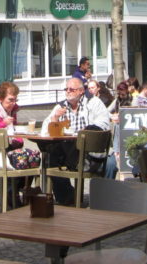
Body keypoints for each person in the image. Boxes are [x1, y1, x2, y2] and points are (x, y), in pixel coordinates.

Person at [40, 77, 110, 205]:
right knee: (49, 154)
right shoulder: (60, 106)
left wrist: (85, 131)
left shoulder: (93, 103)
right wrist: (55, 118)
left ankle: (72, 197)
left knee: (53, 153)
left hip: (88, 151)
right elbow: (44, 130)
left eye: (71, 89)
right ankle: (67, 197)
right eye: (66, 89)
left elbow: (104, 123)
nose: (68, 92)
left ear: (81, 91)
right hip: (66, 150)